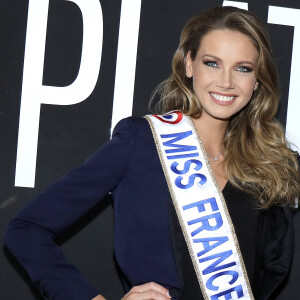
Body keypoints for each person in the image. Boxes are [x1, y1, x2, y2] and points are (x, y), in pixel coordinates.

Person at [4, 6, 300, 300]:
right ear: (188, 64)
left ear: (257, 80)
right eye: (212, 63)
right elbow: (26, 230)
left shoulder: (267, 168)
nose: (226, 81)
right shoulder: (142, 142)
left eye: (242, 68)